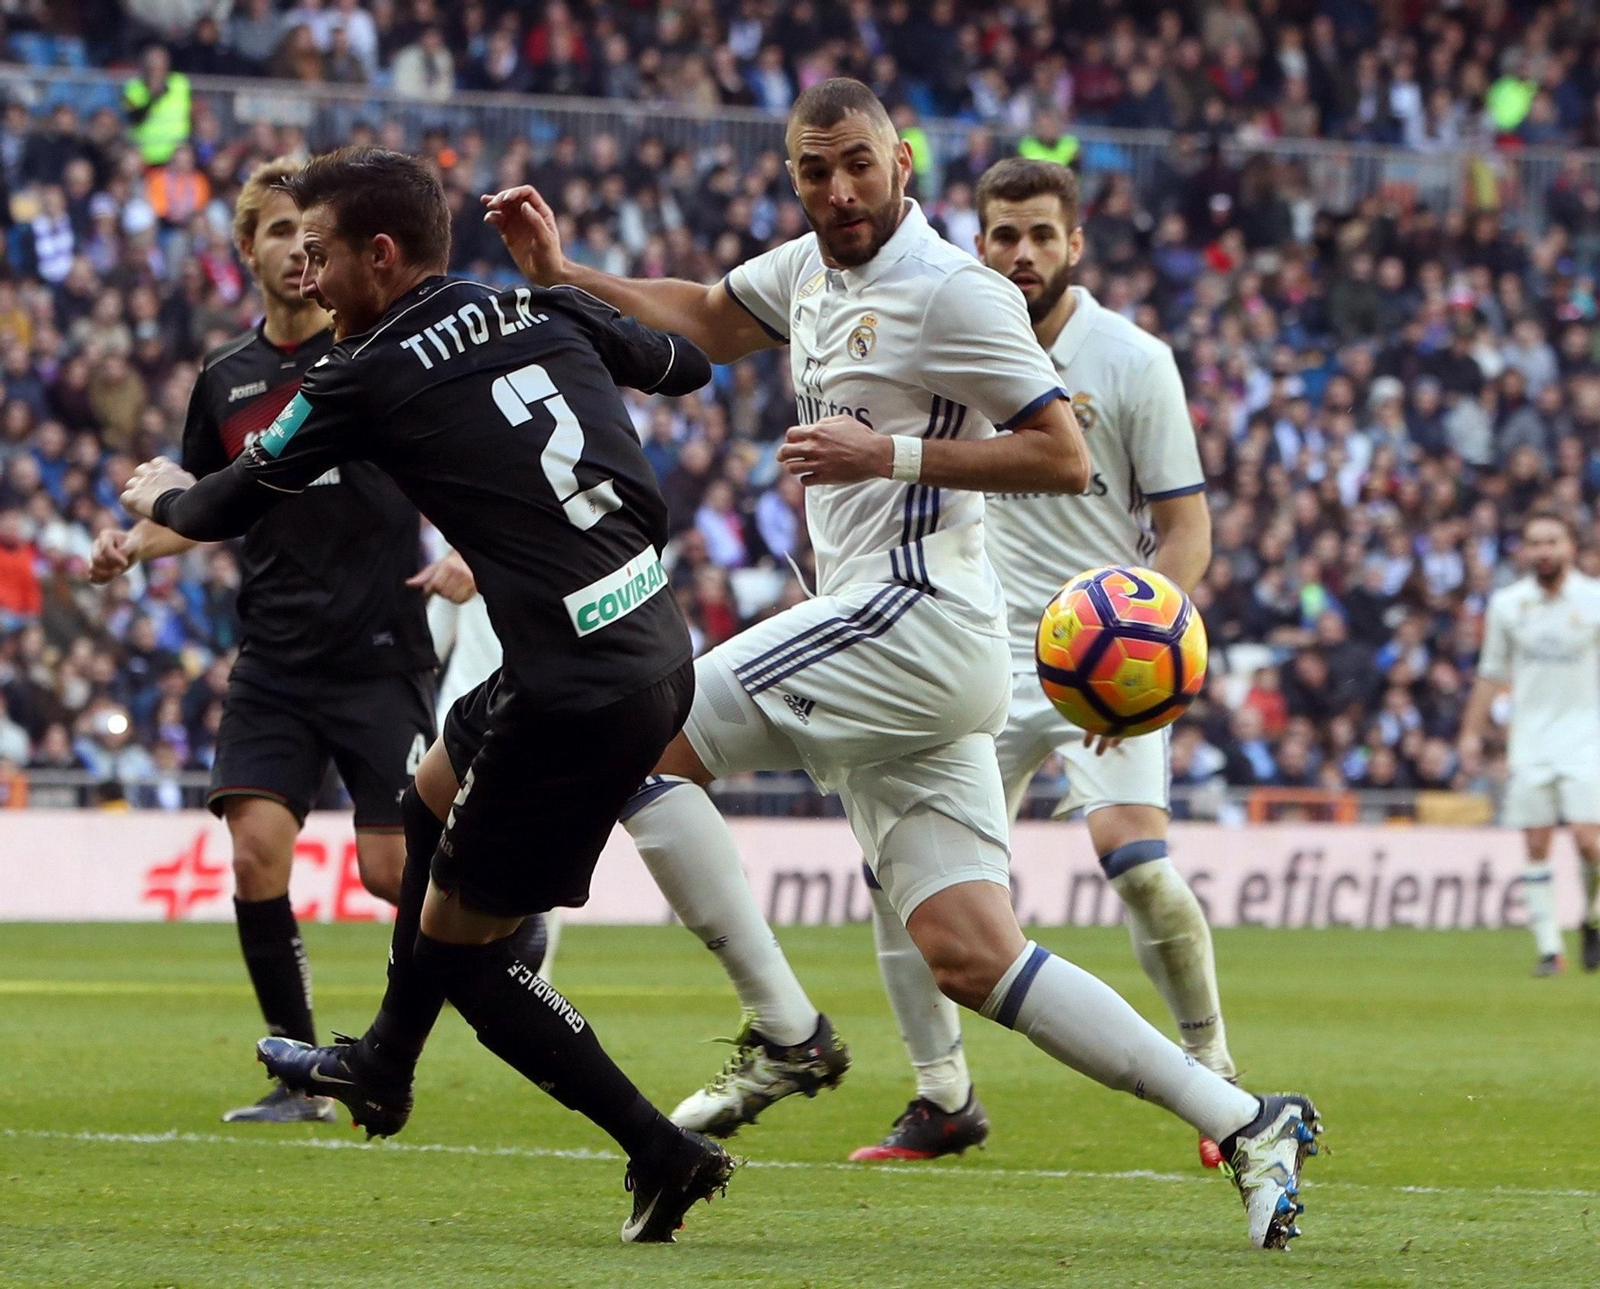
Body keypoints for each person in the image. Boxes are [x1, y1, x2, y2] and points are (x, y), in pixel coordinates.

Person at [487, 78, 1318, 1248]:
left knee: (635, 727)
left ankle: (783, 1030)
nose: (838, 191)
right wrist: (565, 276)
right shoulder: (810, 271)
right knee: (973, 950)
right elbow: (705, 320)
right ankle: (1246, 1118)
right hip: (919, 655)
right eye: (813, 171)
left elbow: (1061, 456)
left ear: (903, 161)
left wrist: (890, 451)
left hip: (912, 614)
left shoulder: (952, 289)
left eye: (857, 166)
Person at [118, 146, 734, 1243]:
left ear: (381, 255)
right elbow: (684, 367)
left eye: (323, 255)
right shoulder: (535, 305)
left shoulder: (361, 371)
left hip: (575, 696)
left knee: (470, 960)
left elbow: (231, 499)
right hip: (645, 640)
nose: (308, 276)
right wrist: (561, 276)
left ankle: (660, 1146)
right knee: (428, 792)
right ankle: (383, 1068)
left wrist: (167, 489)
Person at [848, 157, 1241, 1168]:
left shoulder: (1133, 358)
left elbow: (1184, 526)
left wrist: (1149, 654)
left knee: (1138, 865)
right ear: (977, 240)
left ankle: (1215, 1072)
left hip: (1107, 657)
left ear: (1076, 243)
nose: (1021, 252)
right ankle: (942, 1095)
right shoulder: (954, 337)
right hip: (975, 647)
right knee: (903, 882)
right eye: (1003, 234)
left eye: (1040, 235)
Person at [91, 157, 466, 1126]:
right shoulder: (227, 376)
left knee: (393, 871)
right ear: (246, 251)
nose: (300, 249)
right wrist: (133, 542)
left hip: (379, 645)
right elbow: (206, 504)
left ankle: (498, 929)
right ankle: (300, 1079)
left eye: (312, 231)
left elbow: (454, 463)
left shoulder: (376, 352)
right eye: (277, 232)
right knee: (257, 850)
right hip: (275, 655)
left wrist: (467, 550)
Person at [1459, 510, 1600, 975]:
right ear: (1525, 551)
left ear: (1570, 547)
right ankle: (1548, 948)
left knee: (1588, 841)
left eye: (1552, 541)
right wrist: (1470, 732)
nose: (1543, 551)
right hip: (1532, 738)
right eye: (1535, 542)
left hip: (1586, 735)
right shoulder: (1508, 604)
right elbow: (1490, 673)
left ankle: (1593, 918)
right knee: (1536, 841)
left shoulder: (1594, 600)